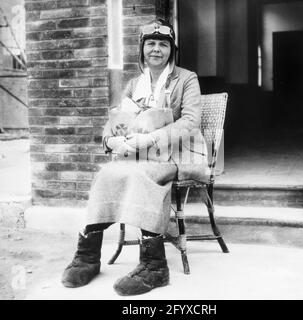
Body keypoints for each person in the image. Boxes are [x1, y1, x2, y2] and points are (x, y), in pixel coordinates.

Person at [61, 19, 208, 296]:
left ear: (171, 50)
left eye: (163, 44)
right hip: (139, 155)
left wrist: (151, 138)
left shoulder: (186, 79)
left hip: (177, 153)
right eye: (150, 44)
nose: (156, 49)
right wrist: (112, 139)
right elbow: (116, 119)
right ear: (141, 49)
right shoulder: (133, 84)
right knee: (107, 173)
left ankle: (154, 266)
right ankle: (88, 257)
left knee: (142, 175)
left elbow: (190, 123)